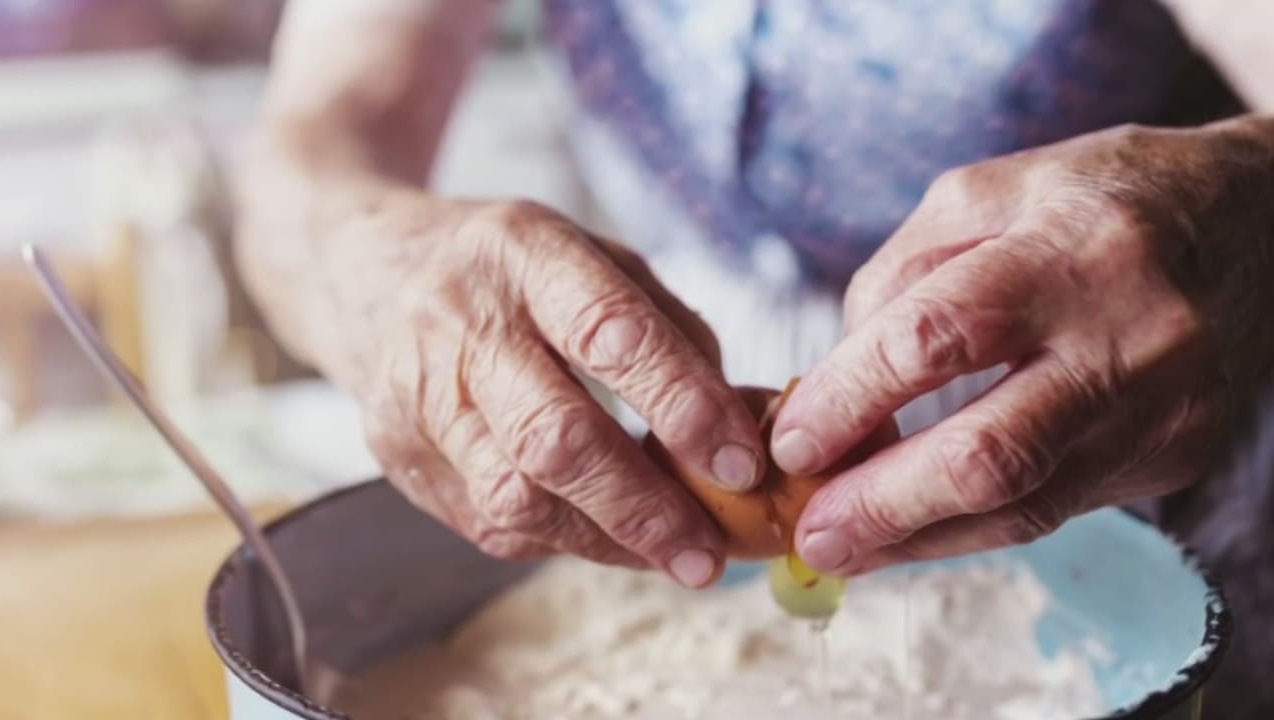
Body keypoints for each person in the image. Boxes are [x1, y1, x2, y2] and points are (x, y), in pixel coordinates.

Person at [236, 1, 1273, 715]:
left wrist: (1245, 195)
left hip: (1135, 406)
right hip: (661, 381)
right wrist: (371, 257)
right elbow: (313, 148)